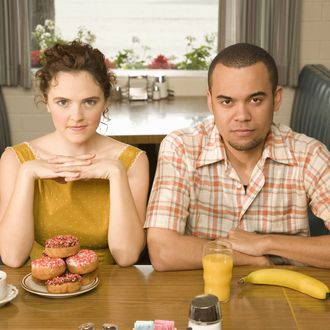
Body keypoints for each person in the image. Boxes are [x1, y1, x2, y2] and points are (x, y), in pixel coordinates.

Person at [145, 43, 330, 271]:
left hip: (288, 298)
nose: (242, 116)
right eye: (227, 101)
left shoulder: (310, 154)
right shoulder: (181, 148)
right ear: (210, 102)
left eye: (255, 100)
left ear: (277, 99)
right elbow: (163, 251)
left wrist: (266, 243)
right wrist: (250, 259)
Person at [0, 41, 149, 267]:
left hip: (109, 290)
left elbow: (126, 256)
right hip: (39, 291)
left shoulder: (132, 161)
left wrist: (116, 173)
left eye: (89, 102)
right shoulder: (15, 159)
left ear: (106, 102)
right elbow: (12, 257)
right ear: (47, 102)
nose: (76, 116)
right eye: (63, 102)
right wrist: (27, 173)